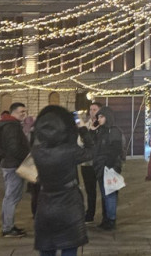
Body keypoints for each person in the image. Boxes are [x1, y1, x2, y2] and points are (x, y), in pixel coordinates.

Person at [32, 105, 95, 256]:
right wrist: (82, 130)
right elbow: (92, 151)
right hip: (69, 201)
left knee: (47, 247)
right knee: (69, 246)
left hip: (45, 201)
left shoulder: (37, 152)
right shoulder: (70, 150)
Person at [0, 102, 31, 238]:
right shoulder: (12, 126)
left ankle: (9, 226)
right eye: (21, 112)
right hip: (14, 165)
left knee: (11, 197)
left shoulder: (10, 124)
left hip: (11, 164)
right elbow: (14, 148)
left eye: (25, 112)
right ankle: (7, 228)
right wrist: (25, 158)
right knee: (11, 197)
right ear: (13, 112)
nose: (23, 114)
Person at [92, 106, 124, 231]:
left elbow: (116, 149)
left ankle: (111, 219)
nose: (99, 119)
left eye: (101, 116)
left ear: (107, 117)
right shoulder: (101, 130)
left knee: (110, 193)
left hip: (109, 167)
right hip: (100, 166)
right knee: (105, 194)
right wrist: (92, 130)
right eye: (98, 117)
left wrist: (108, 165)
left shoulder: (113, 130)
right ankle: (106, 218)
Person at [80, 102, 101, 224]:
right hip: (87, 163)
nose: (92, 111)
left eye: (95, 109)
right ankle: (90, 213)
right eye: (91, 109)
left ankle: (108, 215)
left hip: (99, 162)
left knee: (105, 190)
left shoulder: (102, 126)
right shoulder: (86, 125)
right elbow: (79, 142)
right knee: (90, 190)